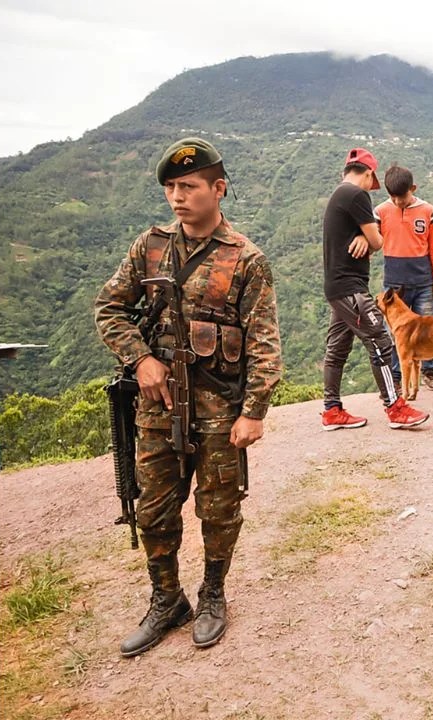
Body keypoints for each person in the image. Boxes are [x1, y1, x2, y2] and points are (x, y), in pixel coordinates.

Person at [93, 137, 283, 655]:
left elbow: (264, 344)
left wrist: (254, 412)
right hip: (158, 409)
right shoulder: (150, 247)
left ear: (218, 189)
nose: (177, 196)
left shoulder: (246, 260)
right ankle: (167, 599)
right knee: (153, 510)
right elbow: (109, 308)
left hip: (220, 412)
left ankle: (213, 593)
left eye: (189, 186)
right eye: (171, 187)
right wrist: (141, 359)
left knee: (219, 510)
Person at [320, 148, 429, 430]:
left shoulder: (338, 194)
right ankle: (395, 407)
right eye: (372, 181)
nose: (371, 187)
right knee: (380, 340)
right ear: (368, 174)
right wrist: (368, 237)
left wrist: (362, 235)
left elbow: (363, 235)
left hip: (336, 287)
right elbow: (378, 241)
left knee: (337, 349)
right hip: (351, 287)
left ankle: (332, 410)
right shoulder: (356, 195)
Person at [375, 164, 433, 391]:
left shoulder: (428, 211)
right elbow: (371, 241)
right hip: (394, 286)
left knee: (428, 329)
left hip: (424, 281)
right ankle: (396, 377)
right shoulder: (380, 212)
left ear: (413, 189)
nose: (398, 202)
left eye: (402, 197)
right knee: (395, 333)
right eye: (393, 197)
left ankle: (429, 372)